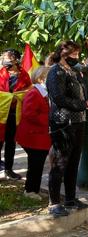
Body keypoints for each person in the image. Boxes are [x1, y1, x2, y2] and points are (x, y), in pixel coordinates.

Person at [46, 41, 88, 217]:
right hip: (62, 123)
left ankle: (70, 199)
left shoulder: (74, 71)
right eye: (73, 55)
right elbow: (58, 98)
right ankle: (54, 203)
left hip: (78, 121)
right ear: (62, 54)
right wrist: (84, 104)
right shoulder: (55, 72)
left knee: (74, 162)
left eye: (77, 54)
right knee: (60, 162)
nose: (77, 58)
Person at [16, 66, 51, 199]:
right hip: (33, 136)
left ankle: (34, 189)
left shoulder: (43, 92)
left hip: (39, 136)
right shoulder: (34, 92)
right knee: (35, 164)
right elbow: (29, 114)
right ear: (41, 78)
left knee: (38, 163)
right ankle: (30, 191)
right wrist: (49, 119)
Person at [0, 49, 33, 179]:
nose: (4, 60)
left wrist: (18, 96)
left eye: (7, 58)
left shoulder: (24, 75)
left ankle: (8, 169)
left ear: (15, 59)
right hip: (1, 114)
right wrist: (8, 97)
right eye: (3, 58)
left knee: (10, 143)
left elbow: (29, 91)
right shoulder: (1, 73)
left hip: (15, 114)